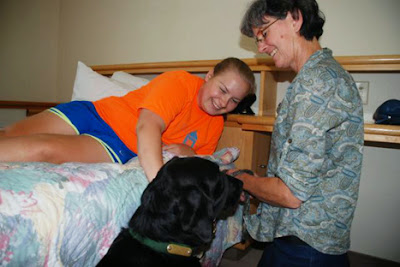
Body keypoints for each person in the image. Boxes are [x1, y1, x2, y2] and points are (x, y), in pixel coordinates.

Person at [233, 0, 364, 266]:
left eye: (264, 34)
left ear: (294, 18)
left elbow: (290, 194)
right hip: (299, 237)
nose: (261, 47)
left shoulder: (316, 84)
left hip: (306, 246)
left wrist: (241, 180)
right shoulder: (318, 76)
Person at [0, 57, 255, 181]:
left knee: (45, 149)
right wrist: (158, 182)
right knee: (11, 133)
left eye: (234, 100)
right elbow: (148, 125)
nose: (224, 102)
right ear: (209, 76)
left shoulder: (216, 123)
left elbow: (201, 161)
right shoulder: (179, 82)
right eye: (222, 90)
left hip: (118, 143)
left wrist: (190, 151)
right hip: (94, 112)